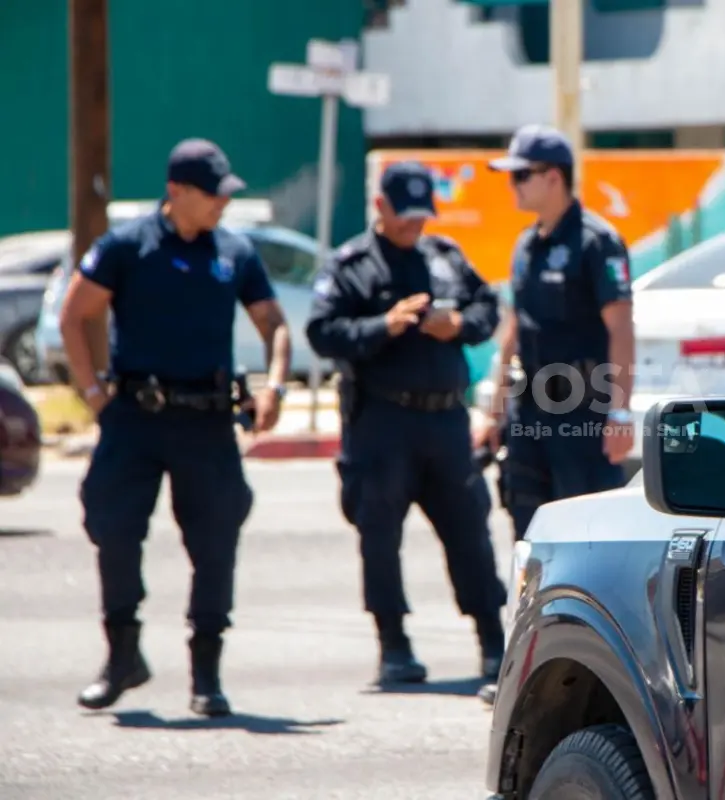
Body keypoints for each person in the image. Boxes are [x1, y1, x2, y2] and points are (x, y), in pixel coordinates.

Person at [59, 138, 292, 717]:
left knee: (215, 543)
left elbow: (274, 324)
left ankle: (206, 676)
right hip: (134, 418)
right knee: (113, 529)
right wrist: (93, 394)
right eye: (213, 194)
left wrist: (276, 385)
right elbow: (74, 314)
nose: (222, 204)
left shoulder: (234, 251)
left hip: (208, 422)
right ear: (177, 192)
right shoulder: (127, 246)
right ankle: (122, 656)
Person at [305, 161, 508, 687]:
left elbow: (488, 305)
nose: (414, 226)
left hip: (444, 420)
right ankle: (393, 646)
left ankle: (492, 641)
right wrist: (384, 326)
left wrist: (459, 325)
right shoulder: (351, 265)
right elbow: (322, 331)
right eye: (405, 216)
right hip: (382, 422)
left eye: (422, 216)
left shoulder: (443, 257)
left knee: (470, 533)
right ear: (380, 207)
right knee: (379, 536)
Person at [473, 124, 637, 704]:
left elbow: (620, 326)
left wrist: (620, 410)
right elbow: (515, 327)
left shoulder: (597, 242)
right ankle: (524, 671)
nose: (512, 186)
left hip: (583, 415)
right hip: (532, 414)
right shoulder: (526, 244)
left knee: (589, 546)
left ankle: (598, 676)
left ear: (553, 177)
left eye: (520, 176)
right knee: (529, 541)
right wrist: (493, 403)